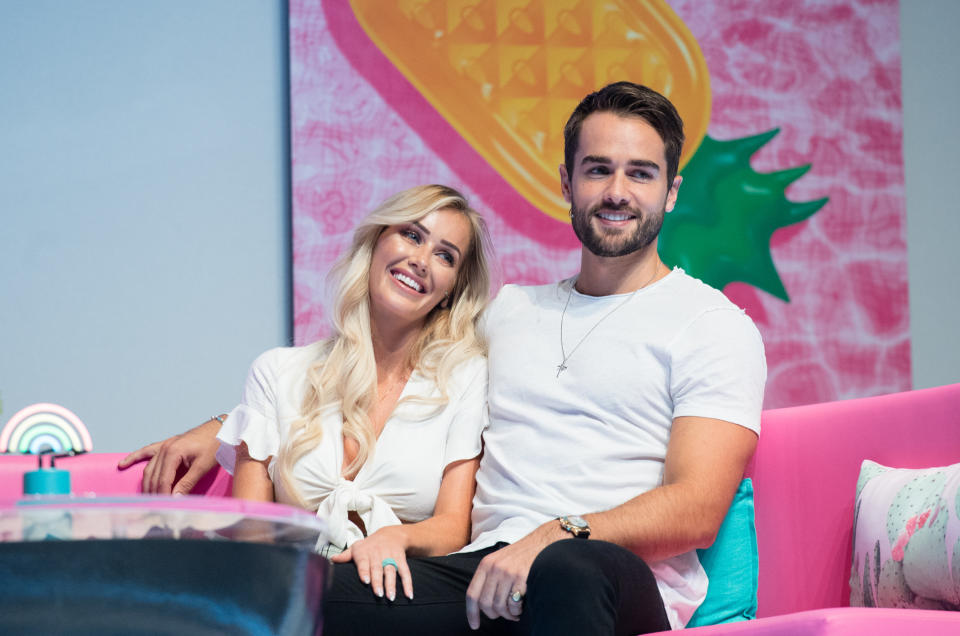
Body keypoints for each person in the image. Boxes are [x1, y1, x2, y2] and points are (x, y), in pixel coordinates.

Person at [123, 82, 766, 634]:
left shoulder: (713, 326)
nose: (617, 190)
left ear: (671, 191)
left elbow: (697, 508)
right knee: (295, 596)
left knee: (568, 571)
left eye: (640, 173)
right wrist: (225, 427)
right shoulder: (511, 312)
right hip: (485, 568)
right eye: (597, 169)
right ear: (567, 181)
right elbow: (392, 354)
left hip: (609, 574)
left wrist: (556, 533)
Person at [122, 184, 494, 602]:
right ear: (376, 242)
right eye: (411, 234)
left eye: (445, 255)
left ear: (452, 292)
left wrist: (396, 538)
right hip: (297, 593)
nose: (421, 260)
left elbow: (453, 526)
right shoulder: (277, 373)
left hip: (404, 595)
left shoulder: (465, 379)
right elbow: (254, 534)